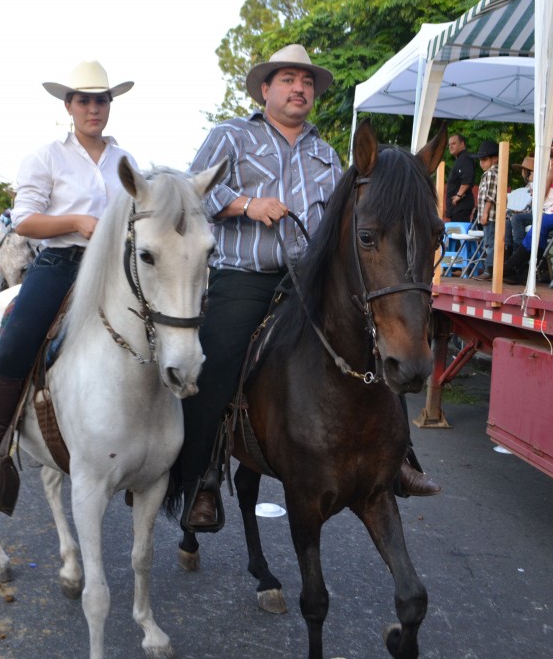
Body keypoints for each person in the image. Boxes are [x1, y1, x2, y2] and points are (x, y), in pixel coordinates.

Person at [179, 44, 439, 533]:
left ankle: (400, 457)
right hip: (245, 274)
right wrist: (247, 205)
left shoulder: (326, 153)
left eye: (307, 82)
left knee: (371, 336)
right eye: (288, 79)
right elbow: (193, 189)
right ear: (265, 89)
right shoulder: (231, 136)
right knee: (216, 355)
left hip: (308, 276)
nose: (299, 88)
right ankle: (203, 478)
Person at [0, 60, 137, 513]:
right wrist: (76, 221)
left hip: (118, 265)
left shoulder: (127, 161)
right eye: (84, 100)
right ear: (69, 105)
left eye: (100, 100)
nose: (93, 108)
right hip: (63, 261)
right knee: (17, 337)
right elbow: (24, 219)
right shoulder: (45, 156)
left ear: (110, 105)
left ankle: (153, 450)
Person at [502, 143, 553, 283]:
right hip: (551, 213)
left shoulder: (550, 174)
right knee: (517, 220)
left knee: (517, 219)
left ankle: (515, 260)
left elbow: (540, 198)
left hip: (548, 214)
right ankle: (523, 266)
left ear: (552, 160)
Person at [471, 140, 499, 280]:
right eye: (480, 160)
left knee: (490, 243)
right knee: (489, 242)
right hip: (488, 215)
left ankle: (490, 270)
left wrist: (485, 213)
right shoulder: (489, 173)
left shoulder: (491, 173)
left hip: (491, 216)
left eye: (485, 159)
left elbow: (490, 196)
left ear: (495, 158)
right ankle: (490, 269)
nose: (482, 162)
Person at [446, 133, 476, 222]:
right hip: (457, 208)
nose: (450, 146)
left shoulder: (465, 158)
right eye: (449, 144)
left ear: (462, 144)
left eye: (453, 143)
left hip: (461, 207)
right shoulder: (460, 159)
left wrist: (458, 195)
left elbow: (466, 180)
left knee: (458, 235)